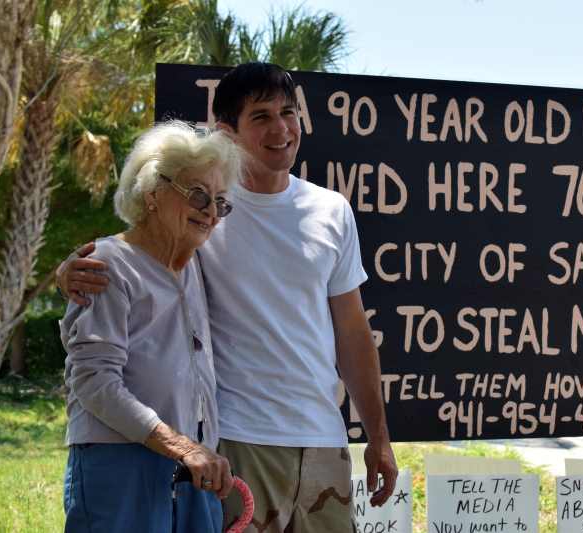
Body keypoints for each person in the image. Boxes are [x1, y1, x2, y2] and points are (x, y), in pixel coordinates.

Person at [58, 62, 397, 533]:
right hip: (236, 443)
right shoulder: (201, 209)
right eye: (261, 116)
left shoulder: (327, 210)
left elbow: (353, 331)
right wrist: (71, 270)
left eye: (289, 112)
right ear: (226, 131)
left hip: (323, 440)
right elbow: (137, 249)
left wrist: (378, 438)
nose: (281, 128)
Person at [60, 121, 242, 532]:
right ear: (153, 192)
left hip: (193, 466)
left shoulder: (194, 263)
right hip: (122, 464)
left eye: (219, 201)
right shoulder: (106, 265)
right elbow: (93, 382)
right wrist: (181, 447)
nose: (211, 211)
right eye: (197, 194)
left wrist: (193, 451)